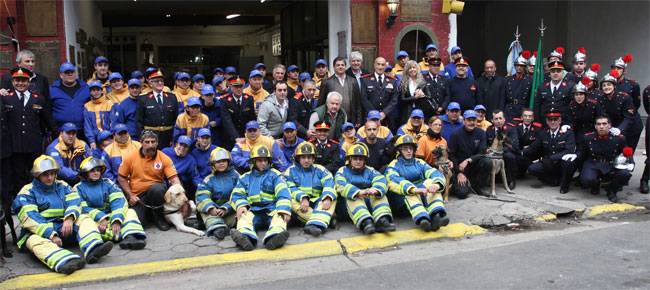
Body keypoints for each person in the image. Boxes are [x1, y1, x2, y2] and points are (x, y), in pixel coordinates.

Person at [13, 155, 113, 273]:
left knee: (84, 218)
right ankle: (65, 261)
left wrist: (69, 218)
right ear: (37, 175)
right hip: (41, 233)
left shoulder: (63, 185)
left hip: (65, 227)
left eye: (52, 173)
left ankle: (93, 248)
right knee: (35, 241)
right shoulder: (26, 192)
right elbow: (30, 218)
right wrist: (51, 234)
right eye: (45, 174)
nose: (50, 178)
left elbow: (75, 201)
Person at [2, 67, 57, 203]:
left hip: (33, 145)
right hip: (14, 146)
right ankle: (22, 202)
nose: (20, 83)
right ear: (12, 81)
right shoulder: (5, 99)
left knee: (36, 173)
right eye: (17, 80)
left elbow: (47, 119)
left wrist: (58, 134)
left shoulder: (38, 99)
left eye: (23, 81)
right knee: (18, 176)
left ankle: (39, 200)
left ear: (29, 82)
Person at [229, 144, 292, 251]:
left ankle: (273, 239)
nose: (263, 163)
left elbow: (284, 193)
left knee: (279, 218)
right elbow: (236, 194)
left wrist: (283, 210)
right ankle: (246, 238)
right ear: (254, 161)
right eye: (260, 161)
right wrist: (241, 206)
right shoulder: (245, 177)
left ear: (269, 161)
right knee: (244, 217)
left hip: (271, 210)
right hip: (253, 211)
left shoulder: (275, 175)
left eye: (265, 160)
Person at [75, 157, 146, 249]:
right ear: (85, 173)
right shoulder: (77, 188)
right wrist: (101, 218)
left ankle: (130, 238)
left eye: (98, 170)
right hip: (95, 220)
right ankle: (95, 246)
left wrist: (116, 220)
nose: (96, 173)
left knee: (130, 212)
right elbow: (82, 208)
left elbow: (119, 200)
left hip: (112, 218)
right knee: (84, 221)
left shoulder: (107, 183)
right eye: (92, 171)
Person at [118, 130, 182, 231]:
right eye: (147, 142)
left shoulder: (164, 158)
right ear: (141, 142)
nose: (150, 145)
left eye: (153, 142)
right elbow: (121, 177)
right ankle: (148, 214)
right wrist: (130, 195)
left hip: (157, 192)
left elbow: (174, 179)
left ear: (157, 143)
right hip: (138, 195)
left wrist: (182, 198)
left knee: (158, 188)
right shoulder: (130, 157)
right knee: (139, 222)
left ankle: (159, 217)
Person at [386, 135, 449, 232]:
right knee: (409, 191)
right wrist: (414, 189)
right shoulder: (393, 166)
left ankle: (436, 216)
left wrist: (436, 185)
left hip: (421, 196)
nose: (408, 151)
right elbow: (395, 182)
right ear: (399, 150)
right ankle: (422, 219)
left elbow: (434, 172)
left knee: (430, 182)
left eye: (411, 148)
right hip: (401, 204)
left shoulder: (419, 162)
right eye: (405, 148)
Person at [335, 142, 395, 234]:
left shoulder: (370, 170)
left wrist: (375, 190)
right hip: (347, 206)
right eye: (355, 159)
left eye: (361, 159)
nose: (358, 161)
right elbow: (339, 184)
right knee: (353, 197)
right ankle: (366, 223)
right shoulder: (343, 170)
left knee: (380, 196)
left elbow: (381, 179)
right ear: (350, 159)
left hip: (367, 199)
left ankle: (383, 221)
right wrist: (358, 192)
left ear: (365, 160)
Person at [284, 142, 337, 237]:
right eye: (303, 157)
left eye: (309, 157)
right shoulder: (290, 171)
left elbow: (329, 182)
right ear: (298, 158)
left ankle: (312, 224)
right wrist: (303, 198)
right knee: (289, 200)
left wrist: (327, 198)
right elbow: (290, 188)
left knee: (332, 197)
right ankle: (324, 220)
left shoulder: (320, 169)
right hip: (301, 203)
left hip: (318, 202)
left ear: (313, 158)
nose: (306, 160)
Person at [577, 116, 631, 202]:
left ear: (609, 125)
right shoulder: (588, 138)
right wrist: (574, 156)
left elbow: (626, 153)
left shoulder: (619, 139)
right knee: (587, 179)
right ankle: (595, 184)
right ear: (595, 126)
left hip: (611, 163)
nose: (601, 126)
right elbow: (582, 153)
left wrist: (631, 163)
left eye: (604, 124)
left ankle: (612, 190)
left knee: (625, 174)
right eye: (599, 124)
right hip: (594, 162)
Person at [522, 108, 576, 193]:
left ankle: (564, 185)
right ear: (547, 121)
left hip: (560, 162)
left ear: (560, 121)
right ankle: (552, 180)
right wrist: (520, 152)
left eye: (555, 120)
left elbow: (569, 151)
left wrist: (552, 158)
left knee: (569, 163)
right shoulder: (544, 133)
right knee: (532, 168)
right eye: (550, 120)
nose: (553, 122)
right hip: (549, 163)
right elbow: (533, 147)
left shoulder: (567, 133)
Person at [195, 147, 240, 239]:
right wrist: (210, 208)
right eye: (218, 161)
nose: (221, 163)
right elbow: (201, 195)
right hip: (214, 211)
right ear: (213, 164)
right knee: (211, 218)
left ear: (228, 162)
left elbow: (240, 194)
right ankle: (219, 230)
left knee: (243, 217)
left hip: (231, 209)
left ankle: (229, 227)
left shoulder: (236, 176)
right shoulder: (209, 179)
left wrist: (226, 208)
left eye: (224, 161)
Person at [447, 110, 493, 198]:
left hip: (474, 163)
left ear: (476, 121)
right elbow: (451, 155)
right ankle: (460, 184)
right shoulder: (455, 135)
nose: (472, 122)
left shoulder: (481, 133)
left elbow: (482, 152)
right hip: (460, 167)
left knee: (487, 162)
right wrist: (459, 173)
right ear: (463, 121)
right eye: (469, 120)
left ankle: (478, 187)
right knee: (462, 193)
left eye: (474, 120)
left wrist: (468, 161)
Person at [598, 70, 642, 152]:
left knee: (627, 154)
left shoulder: (625, 97)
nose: (606, 87)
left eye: (609, 85)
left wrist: (620, 129)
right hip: (614, 127)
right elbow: (604, 115)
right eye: (604, 85)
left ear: (614, 86)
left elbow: (629, 118)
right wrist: (609, 127)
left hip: (631, 128)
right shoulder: (601, 99)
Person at [136, 69, 179, 149]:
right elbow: (139, 121)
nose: (160, 83)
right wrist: (142, 138)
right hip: (151, 137)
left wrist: (174, 137)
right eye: (156, 81)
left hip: (168, 136)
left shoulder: (171, 97)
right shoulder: (143, 98)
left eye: (161, 81)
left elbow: (176, 119)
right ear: (150, 83)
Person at [50, 62, 90, 141]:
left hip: (83, 131)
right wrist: (51, 130)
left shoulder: (85, 88)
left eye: (72, 72)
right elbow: (48, 111)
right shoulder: (52, 90)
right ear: (61, 75)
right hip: (61, 132)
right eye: (67, 73)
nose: (70, 74)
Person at [317, 57, 363, 126]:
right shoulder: (327, 82)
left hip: (350, 119)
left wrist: (359, 120)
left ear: (345, 67)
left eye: (342, 65)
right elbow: (321, 103)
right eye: (338, 65)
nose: (340, 67)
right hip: (332, 120)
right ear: (334, 67)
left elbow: (358, 102)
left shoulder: (353, 81)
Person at [360, 57, 399, 129]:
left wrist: (384, 113)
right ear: (374, 65)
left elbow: (394, 100)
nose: (380, 67)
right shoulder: (365, 80)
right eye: (378, 64)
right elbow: (363, 98)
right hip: (370, 117)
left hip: (387, 117)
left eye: (383, 65)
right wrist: (375, 114)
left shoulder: (392, 81)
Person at [485, 110, 520, 189]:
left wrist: (498, 150)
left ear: (504, 119)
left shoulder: (511, 129)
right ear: (492, 120)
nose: (498, 121)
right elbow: (486, 144)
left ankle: (511, 180)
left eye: (500, 118)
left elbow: (514, 146)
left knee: (509, 156)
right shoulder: (489, 130)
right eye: (496, 119)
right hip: (492, 154)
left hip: (505, 153)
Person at [220, 76, 256, 150]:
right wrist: (236, 138)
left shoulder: (249, 99)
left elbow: (252, 119)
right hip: (230, 137)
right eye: (236, 86)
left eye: (241, 86)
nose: (239, 89)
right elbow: (227, 121)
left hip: (246, 136)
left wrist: (249, 135)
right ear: (230, 86)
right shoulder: (224, 100)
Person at [162, 136, 202, 201]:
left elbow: (194, 176)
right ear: (176, 144)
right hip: (163, 180)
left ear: (188, 148)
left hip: (178, 182)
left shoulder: (190, 160)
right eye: (181, 144)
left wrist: (199, 184)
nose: (182, 148)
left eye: (185, 146)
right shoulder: (165, 152)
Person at [566, 80, 603, 150]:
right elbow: (571, 121)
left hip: (593, 131)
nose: (579, 97)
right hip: (578, 133)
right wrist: (568, 126)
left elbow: (600, 118)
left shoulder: (594, 104)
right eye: (576, 95)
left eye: (581, 94)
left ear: (585, 95)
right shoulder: (571, 106)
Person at [398, 60, 435, 125]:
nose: (412, 70)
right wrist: (415, 97)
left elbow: (429, 97)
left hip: (421, 111)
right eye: (410, 68)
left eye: (414, 67)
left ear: (417, 69)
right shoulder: (403, 83)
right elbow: (402, 100)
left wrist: (422, 95)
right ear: (407, 70)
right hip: (407, 113)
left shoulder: (422, 82)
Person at [84, 80, 117, 149]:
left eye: (98, 90)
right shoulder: (87, 106)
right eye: (93, 90)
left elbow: (113, 122)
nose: (96, 92)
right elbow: (87, 125)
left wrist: (111, 137)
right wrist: (91, 141)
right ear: (90, 92)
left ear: (102, 91)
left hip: (109, 138)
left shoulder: (109, 104)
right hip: (95, 140)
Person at [503, 53, 533, 121]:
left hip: (522, 109)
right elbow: (503, 97)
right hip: (509, 110)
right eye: (517, 65)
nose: (519, 67)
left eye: (521, 66)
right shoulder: (507, 80)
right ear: (514, 66)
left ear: (525, 67)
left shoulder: (529, 80)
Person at [514, 109, 541, 178]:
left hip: (530, 153)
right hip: (518, 152)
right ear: (521, 117)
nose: (527, 118)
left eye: (530, 116)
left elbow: (538, 143)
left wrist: (530, 147)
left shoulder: (537, 129)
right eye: (525, 116)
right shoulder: (516, 127)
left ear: (533, 118)